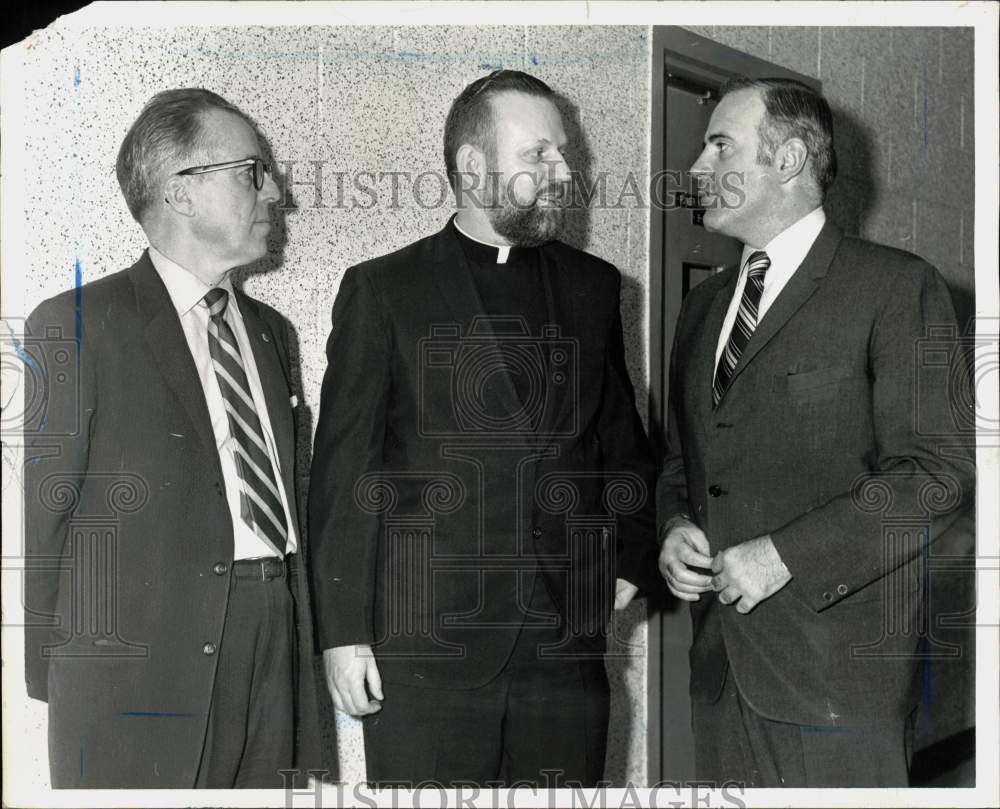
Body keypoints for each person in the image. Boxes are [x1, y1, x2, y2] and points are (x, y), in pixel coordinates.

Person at [308, 69, 659, 787]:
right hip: (427, 652)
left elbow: (620, 440)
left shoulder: (596, 288)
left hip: (565, 649)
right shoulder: (384, 290)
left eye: (563, 154)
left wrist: (629, 554)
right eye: (540, 156)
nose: (565, 173)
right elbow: (344, 475)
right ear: (474, 167)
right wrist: (342, 632)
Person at [656, 76, 974, 787]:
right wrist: (673, 522)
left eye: (718, 146)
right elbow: (683, 461)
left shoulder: (895, 286)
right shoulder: (703, 308)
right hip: (720, 675)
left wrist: (782, 555)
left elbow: (936, 473)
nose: (697, 170)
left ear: (790, 158)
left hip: (837, 686)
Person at [22, 88, 321, 788]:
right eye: (252, 170)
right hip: (143, 678)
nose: (274, 190)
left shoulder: (274, 334)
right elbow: (49, 520)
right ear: (181, 192)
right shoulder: (75, 323)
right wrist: (59, 682)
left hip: (274, 641)